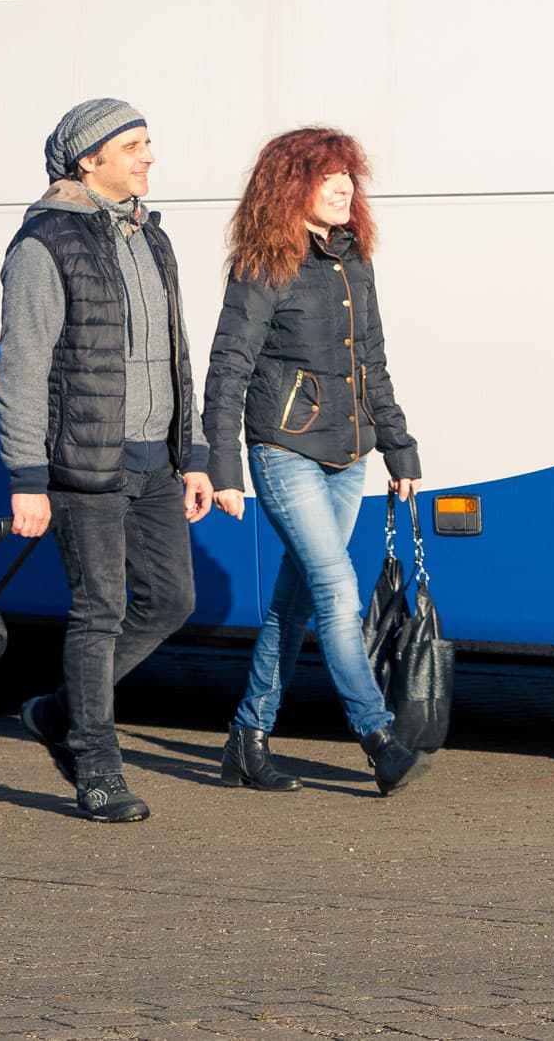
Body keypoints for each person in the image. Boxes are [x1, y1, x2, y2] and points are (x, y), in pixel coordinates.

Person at [0, 99, 213, 824]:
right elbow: (21, 368)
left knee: (172, 599)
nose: (149, 156)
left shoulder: (153, 237)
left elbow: (179, 355)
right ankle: (96, 765)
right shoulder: (43, 244)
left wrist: (196, 454)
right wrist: (28, 477)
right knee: (100, 608)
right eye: (133, 145)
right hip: (85, 466)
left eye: (149, 141)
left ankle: (60, 711)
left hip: (156, 463)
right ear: (89, 160)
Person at [204, 127, 430, 796]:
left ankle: (248, 737)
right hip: (284, 450)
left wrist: (400, 448)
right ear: (290, 185)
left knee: (293, 603)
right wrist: (223, 468)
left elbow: (374, 365)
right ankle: (379, 736)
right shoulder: (263, 263)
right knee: (337, 588)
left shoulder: (353, 259)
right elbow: (228, 369)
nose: (343, 188)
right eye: (328, 176)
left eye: (348, 177)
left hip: (349, 452)